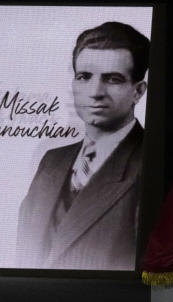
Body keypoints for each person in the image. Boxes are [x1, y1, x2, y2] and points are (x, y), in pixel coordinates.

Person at [17, 21, 150, 269]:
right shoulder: (51, 161)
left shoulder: (150, 163)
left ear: (138, 91)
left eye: (112, 79)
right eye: (84, 77)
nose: (95, 91)